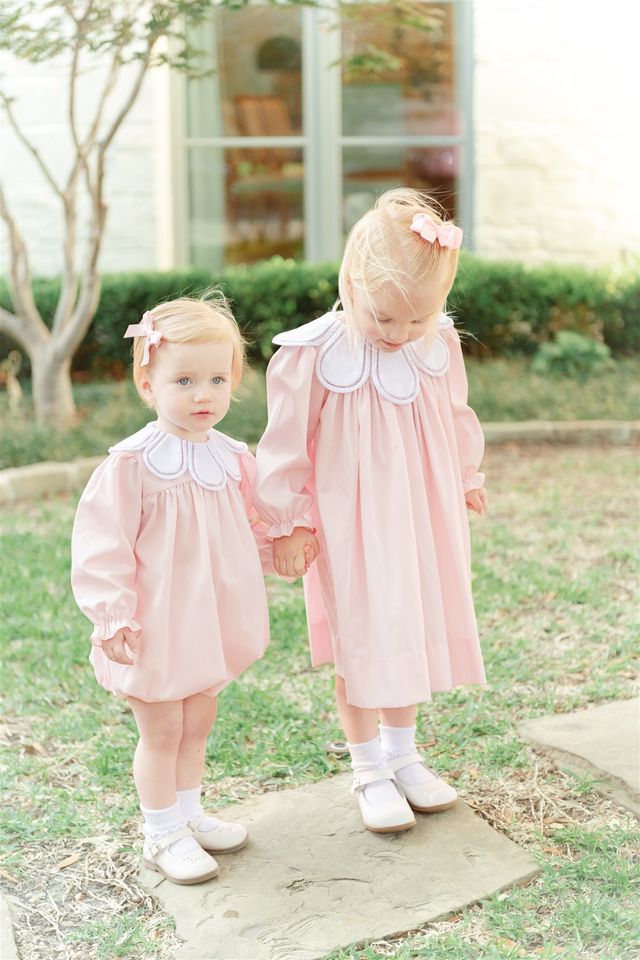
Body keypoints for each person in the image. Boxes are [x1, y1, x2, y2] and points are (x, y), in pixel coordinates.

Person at [255, 188, 488, 834]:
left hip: (418, 511)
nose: (398, 335)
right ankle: (366, 767)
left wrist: (466, 474)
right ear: (352, 281)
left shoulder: (435, 343)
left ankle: (402, 753)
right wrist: (290, 520)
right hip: (350, 521)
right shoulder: (316, 355)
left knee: (406, 623)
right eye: (384, 319)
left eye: (414, 321)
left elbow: (455, 413)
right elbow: (284, 445)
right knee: (363, 635)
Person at [71, 294, 274, 884]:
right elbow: (102, 543)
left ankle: (189, 813)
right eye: (183, 379)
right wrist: (112, 615)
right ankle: (161, 831)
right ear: (147, 383)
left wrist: (282, 544)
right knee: (161, 728)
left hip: (206, 618)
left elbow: (254, 521)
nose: (203, 393)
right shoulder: (133, 464)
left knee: (198, 718)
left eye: (217, 378)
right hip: (155, 620)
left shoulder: (234, 458)